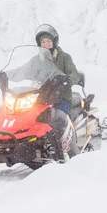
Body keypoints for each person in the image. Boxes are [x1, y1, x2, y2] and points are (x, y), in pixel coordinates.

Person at [33, 23, 83, 158]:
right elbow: (29, 73)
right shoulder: (38, 60)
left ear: (54, 42)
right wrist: (10, 76)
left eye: (48, 41)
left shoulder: (64, 57)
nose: (46, 44)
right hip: (43, 99)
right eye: (43, 42)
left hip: (61, 97)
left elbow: (74, 74)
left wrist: (66, 81)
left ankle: (71, 152)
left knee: (59, 118)